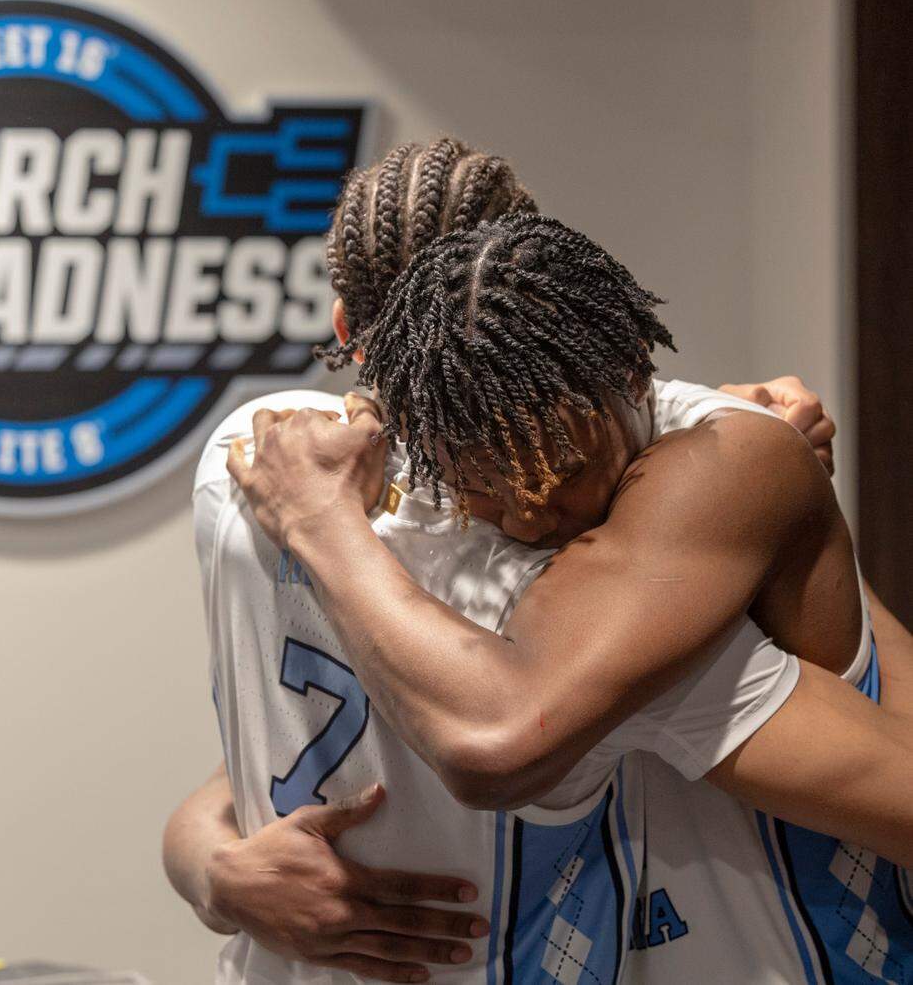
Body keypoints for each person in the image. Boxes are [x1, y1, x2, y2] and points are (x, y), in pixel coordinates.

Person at [219, 211, 913, 983]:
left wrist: (319, 522)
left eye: (564, 472)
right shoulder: (490, 534)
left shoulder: (719, 466)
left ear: (630, 372)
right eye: (484, 487)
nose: (528, 519)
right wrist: (217, 870)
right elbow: (263, 770)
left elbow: (498, 742)